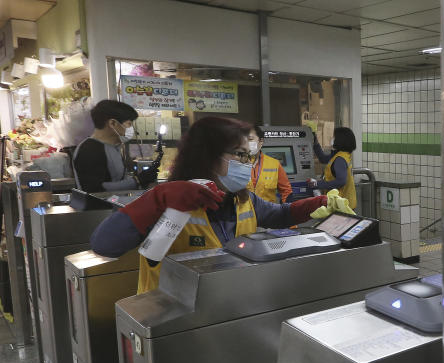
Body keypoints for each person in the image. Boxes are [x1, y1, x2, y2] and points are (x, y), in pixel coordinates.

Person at [90, 117, 337, 293]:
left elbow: (280, 215)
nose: (247, 163)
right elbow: (104, 244)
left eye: (247, 155)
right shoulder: (170, 202)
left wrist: (318, 203)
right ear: (207, 156)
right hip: (166, 321)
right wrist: (158, 198)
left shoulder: (242, 199)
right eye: (239, 154)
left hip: (221, 310)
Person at [73, 100, 156, 192]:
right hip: (99, 206)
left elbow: (117, 180)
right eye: (129, 123)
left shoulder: (114, 147)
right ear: (113, 123)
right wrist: (137, 181)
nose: (131, 129)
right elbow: (94, 189)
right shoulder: (89, 149)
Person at [312, 127, 357, 210]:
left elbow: (341, 181)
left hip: (341, 205)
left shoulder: (340, 159)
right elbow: (323, 159)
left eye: (334, 136)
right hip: (344, 203)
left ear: (340, 140)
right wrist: (315, 143)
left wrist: (317, 184)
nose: (332, 138)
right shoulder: (342, 154)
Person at [247, 126, 292, 202]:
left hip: (269, 212)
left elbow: (287, 192)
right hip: (245, 213)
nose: (247, 143)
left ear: (261, 141)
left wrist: (286, 210)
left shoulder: (274, 164)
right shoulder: (236, 163)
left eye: (250, 139)